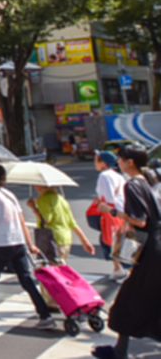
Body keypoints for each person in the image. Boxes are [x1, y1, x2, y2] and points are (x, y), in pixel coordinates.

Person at [93, 144, 161, 359]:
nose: (118, 164)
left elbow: (140, 221)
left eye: (120, 160)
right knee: (146, 297)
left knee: (130, 298)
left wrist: (111, 211)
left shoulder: (132, 185)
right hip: (156, 244)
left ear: (130, 162)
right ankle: (119, 350)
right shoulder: (146, 180)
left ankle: (119, 352)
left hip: (151, 249)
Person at [0, 163, 55, 330]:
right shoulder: (9, 194)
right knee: (26, 280)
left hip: (2, 242)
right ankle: (45, 315)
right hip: (18, 242)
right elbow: (21, 221)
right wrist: (30, 243)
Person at [94, 150, 128, 281]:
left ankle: (120, 269)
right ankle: (119, 269)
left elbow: (108, 198)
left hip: (112, 213)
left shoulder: (104, 175)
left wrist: (100, 202)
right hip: (122, 212)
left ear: (103, 162)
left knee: (110, 241)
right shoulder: (118, 175)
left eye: (96, 160)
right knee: (117, 241)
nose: (94, 162)